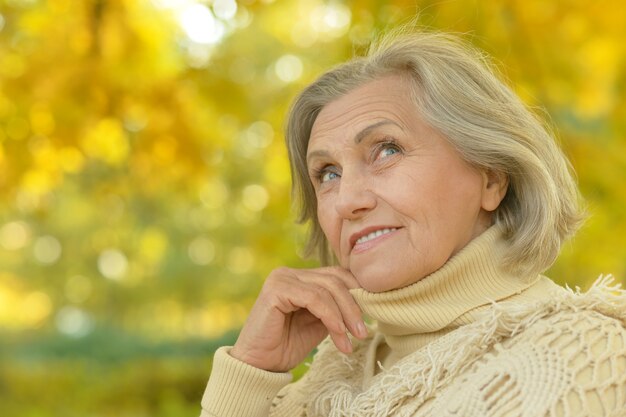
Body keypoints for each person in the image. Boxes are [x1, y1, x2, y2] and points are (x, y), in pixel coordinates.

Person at [200, 29, 626, 417]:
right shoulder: (330, 376)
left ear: (491, 177)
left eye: (386, 150)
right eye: (328, 173)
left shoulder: (586, 354)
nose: (348, 200)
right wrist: (250, 371)